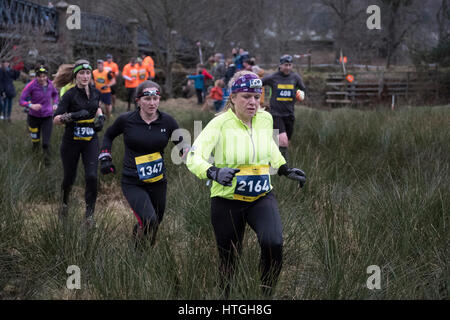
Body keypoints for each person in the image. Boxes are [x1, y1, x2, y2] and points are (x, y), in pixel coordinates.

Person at [186, 71, 307, 298]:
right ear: (232, 98)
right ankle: (225, 297)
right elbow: (194, 157)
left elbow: (270, 148)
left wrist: (283, 168)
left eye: (256, 96)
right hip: (226, 201)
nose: (253, 102)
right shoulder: (219, 123)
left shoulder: (265, 118)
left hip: (261, 196)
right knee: (229, 261)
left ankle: (265, 297)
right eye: (246, 97)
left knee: (274, 244)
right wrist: (212, 172)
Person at [99, 80, 184, 247]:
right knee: (149, 219)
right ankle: (138, 254)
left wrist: (187, 151)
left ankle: (145, 251)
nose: (152, 103)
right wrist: (105, 157)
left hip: (158, 181)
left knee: (155, 222)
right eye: (147, 99)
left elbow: (182, 143)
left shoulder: (168, 121)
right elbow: (108, 135)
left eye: (155, 98)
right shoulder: (126, 120)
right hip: (133, 181)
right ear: (138, 100)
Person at [53, 60, 106, 227]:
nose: (85, 76)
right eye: (81, 73)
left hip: (90, 139)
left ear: (91, 75)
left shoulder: (96, 92)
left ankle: (89, 217)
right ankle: (64, 204)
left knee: (91, 176)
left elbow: (97, 107)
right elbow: (56, 119)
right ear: (76, 76)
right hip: (71, 141)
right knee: (70, 177)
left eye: (88, 73)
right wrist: (73, 116)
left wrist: (101, 117)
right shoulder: (69, 95)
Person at [262, 55, 307, 162]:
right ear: (280, 65)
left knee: (286, 141)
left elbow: (303, 90)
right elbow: (259, 83)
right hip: (276, 114)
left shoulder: (295, 78)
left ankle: (272, 160)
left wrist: (301, 95)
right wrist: (256, 99)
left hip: (289, 114)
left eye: (290, 65)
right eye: (285, 65)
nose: (288, 67)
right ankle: (283, 167)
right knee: (283, 141)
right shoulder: (273, 77)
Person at [19, 66, 59, 166]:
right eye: (39, 76)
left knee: (46, 143)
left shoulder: (51, 84)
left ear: (47, 76)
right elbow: (21, 100)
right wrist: (31, 105)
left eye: (44, 76)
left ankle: (47, 164)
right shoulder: (31, 85)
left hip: (47, 117)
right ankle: (35, 161)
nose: (42, 79)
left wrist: (55, 103)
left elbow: (55, 94)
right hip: (33, 118)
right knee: (35, 143)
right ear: (36, 76)